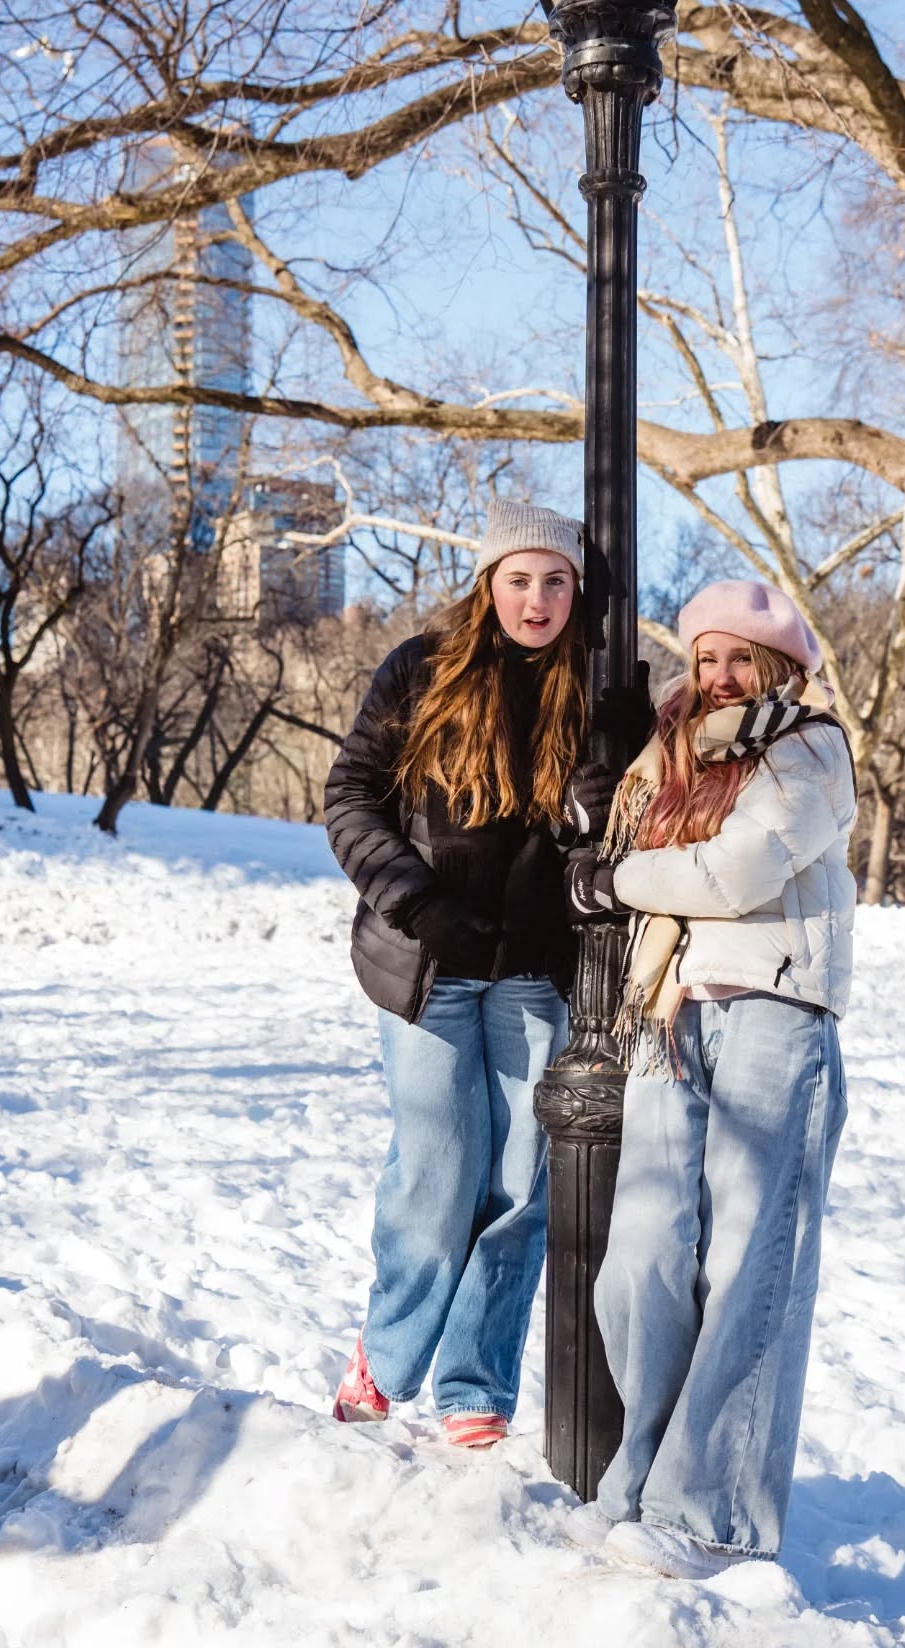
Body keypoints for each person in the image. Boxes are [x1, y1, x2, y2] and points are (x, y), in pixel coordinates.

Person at [564, 578, 856, 1577]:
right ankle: (637, 1487)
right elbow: (616, 849)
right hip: (672, 1018)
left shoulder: (810, 749)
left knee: (748, 1272)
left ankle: (713, 1516)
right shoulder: (669, 762)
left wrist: (617, 879)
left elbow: (736, 874)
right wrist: (605, 830)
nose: (719, 676)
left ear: (775, 666)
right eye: (705, 659)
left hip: (775, 1014)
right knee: (641, 1259)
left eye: (740, 658)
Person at [324, 500, 586, 1449]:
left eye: (556, 580)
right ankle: (385, 1359)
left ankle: (474, 1385)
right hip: (428, 963)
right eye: (520, 578)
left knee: (520, 1184)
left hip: (532, 973)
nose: (538, 598)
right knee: (438, 1176)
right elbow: (351, 796)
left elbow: (620, 829)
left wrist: (596, 815)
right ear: (489, 584)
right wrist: (416, 903)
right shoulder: (422, 670)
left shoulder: (593, 689)